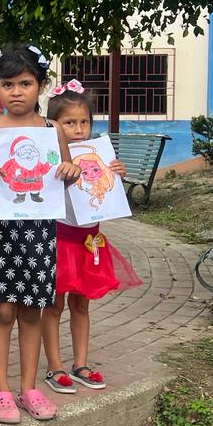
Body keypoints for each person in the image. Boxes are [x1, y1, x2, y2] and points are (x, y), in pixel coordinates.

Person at [0, 44, 79, 425]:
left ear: (40, 86)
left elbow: (67, 174)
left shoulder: (52, 130)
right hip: (0, 232)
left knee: (32, 310)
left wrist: (71, 172)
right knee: (1, 309)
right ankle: (0, 388)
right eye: (7, 84)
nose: (16, 92)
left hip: (40, 232)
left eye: (25, 84)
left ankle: (29, 388)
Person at [41, 83, 142, 394]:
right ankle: (54, 366)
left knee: (82, 305)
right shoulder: (50, 159)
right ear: (54, 125)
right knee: (54, 305)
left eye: (84, 122)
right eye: (69, 122)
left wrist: (117, 173)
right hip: (60, 242)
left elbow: (103, 193)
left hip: (89, 242)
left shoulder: (97, 156)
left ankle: (81, 364)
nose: (78, 129)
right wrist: (60, 172)